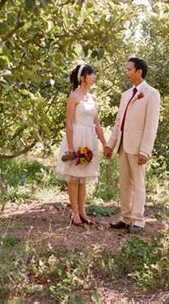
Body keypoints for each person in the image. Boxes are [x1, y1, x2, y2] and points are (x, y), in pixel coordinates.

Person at [104, 57, 161, 234]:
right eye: (126, 69)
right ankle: (126, 217)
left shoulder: (151, 94)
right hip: (122, 145)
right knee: (124, 184)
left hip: (138, 148)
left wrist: (145, 150)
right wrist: (110, 145)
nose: (126, 72)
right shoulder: (126, 95)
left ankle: (138, 220)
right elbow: (118, 123)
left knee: (138, 184)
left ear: (139, 72)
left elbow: (151, 125)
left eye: (129, 69)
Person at [55, 64, 107, 226]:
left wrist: (105, 144)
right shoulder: (74, 97)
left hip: (89, 138)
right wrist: (71, 148)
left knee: (83, 178)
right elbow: (69, 123)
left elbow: (97, 124)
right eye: (91, 74)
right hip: (76, 137)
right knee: (74, 176)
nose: (94, 77)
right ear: (82, 77)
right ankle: (74, 212)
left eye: (94, 74)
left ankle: (83, 211)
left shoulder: (93, 99)